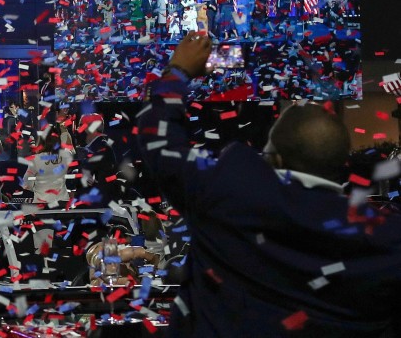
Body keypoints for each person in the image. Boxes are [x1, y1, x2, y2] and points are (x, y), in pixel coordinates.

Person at [136, 32, 401, 335]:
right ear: (343, 165)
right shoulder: (387, 237)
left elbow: (159, 139)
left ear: (272, 158)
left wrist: (178, 72)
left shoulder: (226, 192)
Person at [21, 122, 74, 206]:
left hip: (41, 205)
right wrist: (64, 131)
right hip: (62, 205)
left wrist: (37, 187)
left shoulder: (35, 159)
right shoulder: (66, 156)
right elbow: (70, 146)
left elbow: (25, 183)